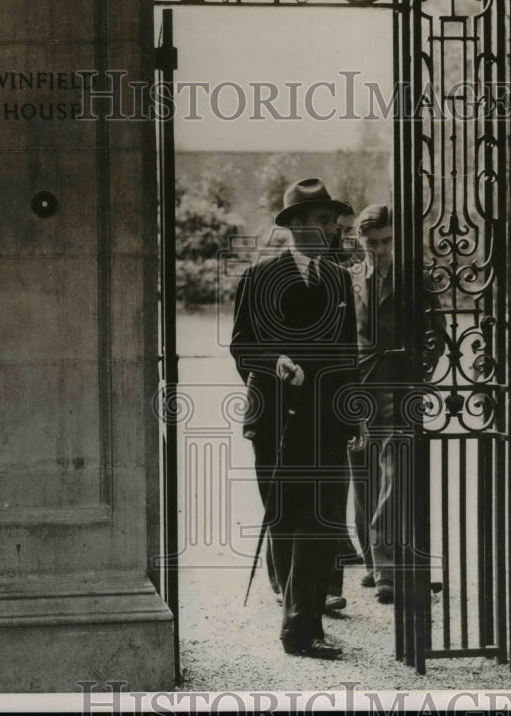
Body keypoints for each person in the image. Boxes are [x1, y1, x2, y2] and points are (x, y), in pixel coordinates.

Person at [231, 177, 364, 660]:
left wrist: (356, 414)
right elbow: (242, 345)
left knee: (322, 518)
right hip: (274, 421)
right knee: (287, 519)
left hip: (327, 419)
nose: (333, 229)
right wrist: (275, 362)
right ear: (296, 225)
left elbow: (348, 354)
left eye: (334, 221)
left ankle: (302, 628)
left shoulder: (339, 279)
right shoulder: (259, 278)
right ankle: (295, 609)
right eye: (324, 221)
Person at [347, 204, 444, 604]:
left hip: (401, 387)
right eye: (371, 243)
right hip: (358, 387)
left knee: (395, 474)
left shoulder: (416, 280)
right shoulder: (348, 278)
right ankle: (372, 563)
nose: (380, 250)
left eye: (387, 242)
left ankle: (388, 568)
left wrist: (418, 376)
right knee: (363, 473)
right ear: (359, 240)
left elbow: (436, 334)